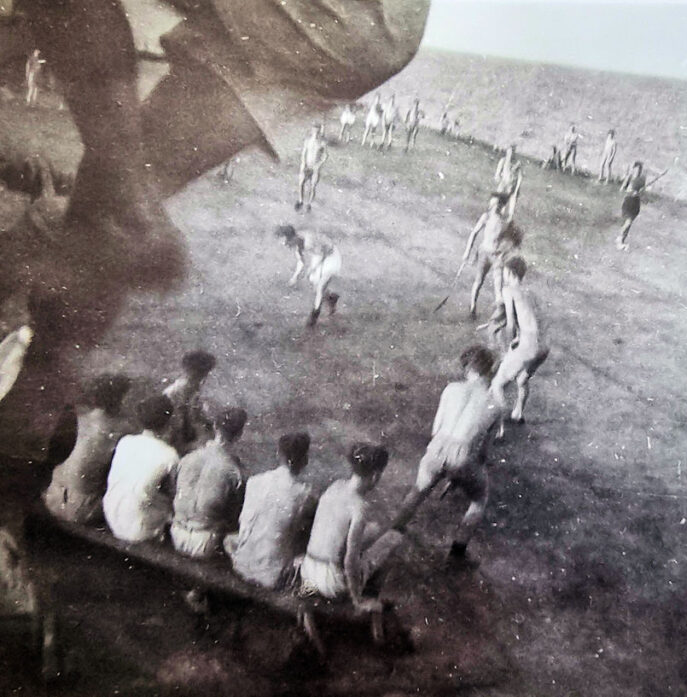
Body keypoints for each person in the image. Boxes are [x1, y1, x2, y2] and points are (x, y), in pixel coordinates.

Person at [0, 0, 428, 464]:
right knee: (104, 222)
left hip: (346, 29)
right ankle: (30, 417)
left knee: (106, 219)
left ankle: (33, 406)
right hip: (363, 31)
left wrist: (124, 189)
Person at [384, 346, 502, 560]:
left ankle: (392, 532)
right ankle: (457, 553)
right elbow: (484, 453)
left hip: (437, 448)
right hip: (463, 455)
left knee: (417, 492)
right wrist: (461, 475)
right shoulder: (496, 404)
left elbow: (435, 430)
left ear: (467, 369)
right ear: (490, 370)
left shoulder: (451, 389)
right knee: (479, 500)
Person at [299, 443, 404, 610]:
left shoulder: (336, 485)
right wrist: (356, 598)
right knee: (393, 538)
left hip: (308, 569)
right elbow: (350, 560)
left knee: (374, 528)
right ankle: (366, 596)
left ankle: (309, 596)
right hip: (332, 583)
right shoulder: (359, 507)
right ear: (375, 476)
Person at [225, 432, 317, 589]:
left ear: (278, 454)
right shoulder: (305, 494)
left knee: (231, 538)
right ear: (305, 461)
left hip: (241, 565)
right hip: (272, 575)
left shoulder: (255, 481)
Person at [42, 374, 132, 523]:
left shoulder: (81, 416)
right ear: (118, 399)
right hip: (82, 508)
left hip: (54, 495)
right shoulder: (121, 427)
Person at [170, 407, 247, 559]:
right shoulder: (234, 470)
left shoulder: (188, 458)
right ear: (239, 434)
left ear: (215, 426)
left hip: (176, 533)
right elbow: (234, 515)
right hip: (205, 543)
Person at [102, 394, 179, 542]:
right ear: (168, 423)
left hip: (111, 513)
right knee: (167, 504)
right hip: (138, 527)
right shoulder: (170, 454)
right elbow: (174, 492)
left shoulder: (125, 441)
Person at [490, 257, 549, 426]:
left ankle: (500, 428)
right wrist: (519, 337)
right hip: (544, 346)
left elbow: (509, 324)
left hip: (528, 345)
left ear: (510, 273)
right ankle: (518, 413)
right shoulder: (530, 292)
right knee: (522, 379)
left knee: (497, 384)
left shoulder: (509, 291)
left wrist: (506, 349)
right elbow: (533, 319)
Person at [463, 176, 524, 318]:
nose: (493, 207)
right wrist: (467, 251)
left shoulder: (504, 221)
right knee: (479, 281)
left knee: (498, 282)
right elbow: (473, 233)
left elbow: (511, 240)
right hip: (484, 252)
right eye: (492, 204)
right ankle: (472, 306)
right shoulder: (486, 217)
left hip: (496, 255)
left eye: (496, 205)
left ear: (501, 206)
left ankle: (499, 308)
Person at [275, 224, 342, 327]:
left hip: (331, 256)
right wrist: (295, 276)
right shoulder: (298, 244)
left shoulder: (309, 240)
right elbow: (301, 262)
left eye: (287, 241)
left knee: (320, 286)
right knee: (316, 286)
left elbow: (323, 254)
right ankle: (332, 299)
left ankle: (314, 316)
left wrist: (312, 269)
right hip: (318, 256)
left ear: (292, 237)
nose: (286, 245)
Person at [163, 350, 217, 456]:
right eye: (202, 375)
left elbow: (198, 415)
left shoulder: (193, 389)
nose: (203, 380)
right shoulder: (173, 393)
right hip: (174, 442)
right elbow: (173, 427)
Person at [296, 124, 328, 212]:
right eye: (314, 131)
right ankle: (300, 201)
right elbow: (303, 153)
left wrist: (319, 165)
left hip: (315, 167)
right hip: (307, 165)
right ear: (312, 131)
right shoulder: (307, 141)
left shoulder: (322, 143)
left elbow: (325, 155)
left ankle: (309, 204)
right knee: (301, 183)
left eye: (317, 132)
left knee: (312, 186)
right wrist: (303, 163)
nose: (316, 133)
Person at [617, 161, 647, 250]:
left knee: (629, 224)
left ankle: (621, 242)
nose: (637, 172)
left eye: (639, 170)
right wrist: (631, 192)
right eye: (636, 170)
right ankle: (619, 238)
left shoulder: (642, 179)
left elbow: (643, 192)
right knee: (627, 223)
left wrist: (640, 192)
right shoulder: (629, 177)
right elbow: (622, 189)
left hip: (636, 203)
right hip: (628, 202)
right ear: (633, 170)